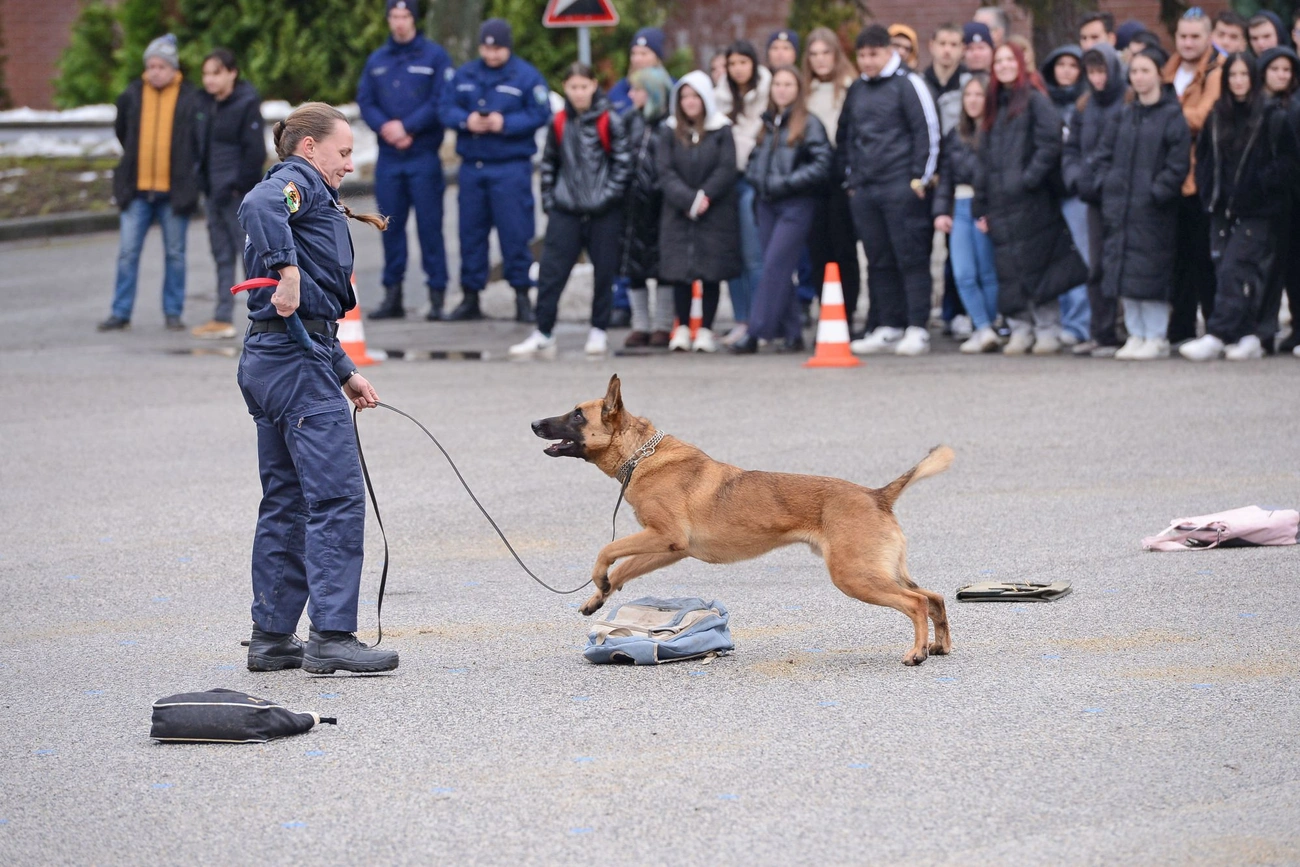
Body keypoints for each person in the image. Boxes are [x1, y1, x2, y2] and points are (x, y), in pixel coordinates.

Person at [236, 102, 397, 674]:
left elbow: (310, 318)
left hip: (278, 356)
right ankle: (332, 636)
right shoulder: (293, 183)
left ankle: (272, 638)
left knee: (288, 499)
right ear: (310, 147)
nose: (351, 165)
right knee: (334, 498)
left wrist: (345, 370)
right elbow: (258, 205)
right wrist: (288, 270)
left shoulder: (305, 188)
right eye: (345, 151)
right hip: (290, 369)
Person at [509, 64, 631, 359]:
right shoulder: (560, 122)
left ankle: (598, 331)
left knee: (604, 273)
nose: (579, 93)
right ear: (565, 88)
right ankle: (543, 332)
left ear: (593, 85)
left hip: (603, 211)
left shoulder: (609, 120)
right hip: (566, 210)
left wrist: (606, 197)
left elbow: (623, 165)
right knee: (551, 273)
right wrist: (551, 202)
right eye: (573, 87)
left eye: (584, 86)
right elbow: (548, 163)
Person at [1182, 52, 1297, 361]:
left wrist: (1260, 185)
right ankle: (1247, 334)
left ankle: (1218, 333)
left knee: (1237, 267)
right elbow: (1204, 157)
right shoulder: (1217, 115)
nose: (1238, 81)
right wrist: (1208, 192)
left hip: (1258, 210)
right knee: (1226, 270)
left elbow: (1288, 162)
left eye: (1244, 75)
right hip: (1221, 206)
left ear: (1254, 78)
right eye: (1232, 75)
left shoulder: (1272, 116)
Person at [976, 41, 1087, 355]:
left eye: (1010, 59)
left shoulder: (1036, 100)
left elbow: (1051, 142)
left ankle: (1048, 329)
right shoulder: (994, 105)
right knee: (1009, 269)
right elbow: (982, 158)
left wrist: (1029, 179)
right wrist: (981, 203)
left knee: (1040, 265)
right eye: (999, 61)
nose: (1005, 65)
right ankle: (1021, 328)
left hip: (1031, 201)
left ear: (1021, 63)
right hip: (1000, 203)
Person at [438, 18, 550, 322]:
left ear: (507, 47)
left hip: (510, 168)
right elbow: (445, 107)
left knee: (516, 235)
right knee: (470, 234)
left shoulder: (525, 76)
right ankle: (471, 297)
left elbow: (541, 112)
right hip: (473, 168)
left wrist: (506, 124)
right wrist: (467, 120)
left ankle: (522, 297)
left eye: (497, 48)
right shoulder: (466, 75)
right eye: (486, 48)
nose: (491, 54)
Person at [840, 24, 941, 357]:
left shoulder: (910, 84)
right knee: (878, 259)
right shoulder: (857, 89)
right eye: (863, 55)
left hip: (901, 186)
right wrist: (851, 181)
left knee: (910, 257)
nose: (867, 61)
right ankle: (888, 324)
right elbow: (846, 137)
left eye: (874, 54)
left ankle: (917, 327)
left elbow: (927, 132)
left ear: (889, 52)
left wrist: (918, 180)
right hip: (865, 189)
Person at [1088, 49, 1190, 361]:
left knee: (1150, 273)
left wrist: (1156, 192)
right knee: (1124, 274)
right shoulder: (1123, 114)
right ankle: (1135, 333)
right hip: (1121, 208)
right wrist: (1107, 187)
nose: (1140, 77)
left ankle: (1156, 335)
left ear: (1160, 73)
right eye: (1135, 72)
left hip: (1154, 211)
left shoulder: (1172, 115)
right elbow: (1103, 155)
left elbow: (1177, 164)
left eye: (1146, 70)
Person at [98, 34, 202, 332]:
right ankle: (120, 312)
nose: (154, 71)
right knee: (128, 252)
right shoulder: (131, 95)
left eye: (161, 66)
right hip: (137, 191)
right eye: (150, 66)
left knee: (175, 254)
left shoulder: (189, 96)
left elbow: (196, 140)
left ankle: (173, 311)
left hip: (174, 191)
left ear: (173, 68)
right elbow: (122, 132)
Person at [357, 0, 453, 322]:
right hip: (389, 160)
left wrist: (408, 127)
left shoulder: (434, 57)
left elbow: (441, 100)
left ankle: (437, 296)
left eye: (405, 16)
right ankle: (392, 295)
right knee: (389, 227)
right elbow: (366, 101)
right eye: (394, 16)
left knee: (430, 228)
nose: (399, 23)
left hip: (422, 155)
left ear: (414, 19)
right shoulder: (378, 60)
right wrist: (385, 127)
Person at [731, 67, 832, 354]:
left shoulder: (809, 123)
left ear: (798, 90)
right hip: (766, 204)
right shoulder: (768, 123)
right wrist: (757, 178)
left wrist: (786, 183)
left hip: (796, 204)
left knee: (774, 264)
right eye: (778, 84)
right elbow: (753, 159)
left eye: (789, 84)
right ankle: (792, 333)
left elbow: (822, 164)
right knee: (778, 268)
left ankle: (756, 332)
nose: (782, 89)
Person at [657, 71, 742, 352]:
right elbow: (665, 171)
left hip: (714, 211)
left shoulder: (721, 129)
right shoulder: (669, 130)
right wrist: (687, 200)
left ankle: (705, 328)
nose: (690, 102)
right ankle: (681, 327)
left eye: (695, 96)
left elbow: (726, 167)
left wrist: (704, 197)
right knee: (680, 270)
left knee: (710, 271)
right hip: (678, 211)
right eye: (684, 96)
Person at [191, 49, 266, 340]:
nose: (209, 80)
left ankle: (262, 318)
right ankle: (222, 317)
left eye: (216, 73)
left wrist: (236, 186)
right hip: (212, 193)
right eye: (206, 73)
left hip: (238, 195)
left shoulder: (246, 103)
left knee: (250, 256)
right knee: (221, 255)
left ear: (232, 72)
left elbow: (254, 152)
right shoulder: (203, 104)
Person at [1064, 42, 1128, 357]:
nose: (1098, 78)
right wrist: (1075, 177)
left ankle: (1121, 331)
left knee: (1120, 263)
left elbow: (1121, 152)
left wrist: (1101, 180)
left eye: (1102, 71)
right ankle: (1100, 331)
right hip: (1091, 196)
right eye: (1092, 72)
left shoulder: (1127, 101)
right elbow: (1072, 149)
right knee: (1096, 265)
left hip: (1120, 195)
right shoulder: (1084, 105)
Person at [1164, 8, 1222, 346]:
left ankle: (1215, 328)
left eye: (1195, 36)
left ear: (1208, 38)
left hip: (1201, 177)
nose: (1187, 42)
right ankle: (1181, 329)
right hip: (1171, 177)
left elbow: (1203, 116)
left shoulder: (1217, 71)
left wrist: (1164, 114)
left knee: (1204, 258)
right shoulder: (1167, 70)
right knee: (1178, 260)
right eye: (1183, 36)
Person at [933, 74, 1001, 353]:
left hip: (984, 205)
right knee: (963, 271)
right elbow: (945, 176)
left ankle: (989, 324)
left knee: (987, 271)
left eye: (979, 95)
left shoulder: (996, 132)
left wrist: (992, 211)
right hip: (959, 205)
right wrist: (941, 210)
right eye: (968, 95)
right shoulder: (955, 134)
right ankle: (982, 327)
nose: (973, 100)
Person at [804, 27, 864, 334]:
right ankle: (825, 309)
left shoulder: (850, 87)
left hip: (841, 178)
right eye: (814, 54)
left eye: (825, 53)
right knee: (817, 251)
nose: (820, 60)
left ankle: (849, 312)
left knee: (844, 250)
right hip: (813, 179)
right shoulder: (804, 90)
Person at [714, 41, 771, 346]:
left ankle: (759, 322)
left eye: (743, 62)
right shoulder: (720, 98)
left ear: (753, 63)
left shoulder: (768, 94)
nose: (738, 69)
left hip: (754, 181)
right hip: (726, 182)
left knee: (753, 255)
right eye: (732, 63)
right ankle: (741, 319)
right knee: (733, 257)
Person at [619, 66, 675, 349]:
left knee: (664, 267)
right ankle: (640, 324)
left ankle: (663, 325)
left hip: (662, 203)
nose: (631, 95)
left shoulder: (669, 124)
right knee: (635, 267)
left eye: (638, 89)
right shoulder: (629, 120)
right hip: (633, 205)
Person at [1041, 44, 1091, 347]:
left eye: (1073, 65)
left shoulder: (1087, 104)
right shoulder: (1043, 102)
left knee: (1082, 257)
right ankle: (1059, 320)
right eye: (1061, 65)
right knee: (1055, 259)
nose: (1066, 71)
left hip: (1076, 191)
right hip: (1049, 190)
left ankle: (1079, 324)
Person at [1257, 46, 1300, 354]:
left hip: (1291, 198)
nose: (1282, 75)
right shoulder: (1254, 106)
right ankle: (1263, 331)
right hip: (1263, 201)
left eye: (1287, 70)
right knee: (1269, 269)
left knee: (1294, 268)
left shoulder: (1294, 107)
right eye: (1275, 69)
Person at [608, 27, 667, 116]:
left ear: (657, 58)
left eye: (644, 54)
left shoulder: (672, 88)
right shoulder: (619, 89)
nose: (637, 59)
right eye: (634, 53)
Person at [926, 23, 970, 135]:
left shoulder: (969, 84)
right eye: (942, 44)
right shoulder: (920, 84)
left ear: (963, 49)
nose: (947, 50)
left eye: (954, 45)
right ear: (932, 46)